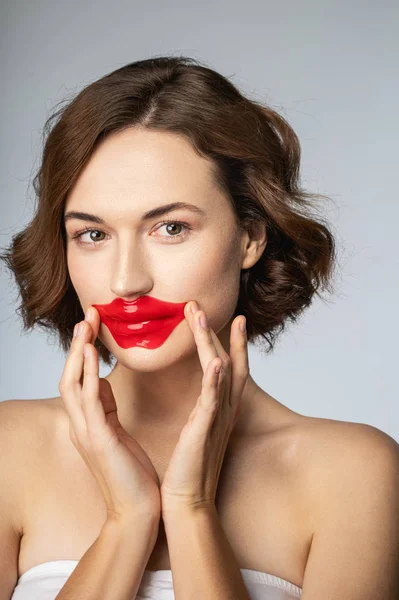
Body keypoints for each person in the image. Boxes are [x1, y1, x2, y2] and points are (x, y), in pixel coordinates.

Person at [1, 55, 398, 600]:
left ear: (250, 237)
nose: (126, 280)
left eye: (170, 227)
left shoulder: (355, 474)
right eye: (92, 235)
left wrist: (191, 510)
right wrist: (129, 517)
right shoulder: (8, 451)